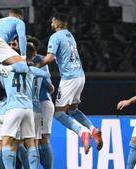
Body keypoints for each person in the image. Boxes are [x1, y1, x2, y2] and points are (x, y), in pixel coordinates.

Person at [37, 12, 103, 154]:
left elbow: (49, 58)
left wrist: (35, 66)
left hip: (69, 78)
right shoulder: (69, 35)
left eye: (52, 21)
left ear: (57, 22)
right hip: (80, 75)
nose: (51, 23)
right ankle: (93, 129)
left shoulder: (55, 37)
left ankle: (82, 132)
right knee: (73, 110)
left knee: (59, 114)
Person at [27, 40, 55, 169]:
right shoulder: (40, 61)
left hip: (41, 103)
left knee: (37, 140)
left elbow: (50, 88)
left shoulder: (39, 61)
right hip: (40, 104)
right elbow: (50, 87)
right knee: (40, 139)